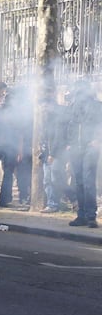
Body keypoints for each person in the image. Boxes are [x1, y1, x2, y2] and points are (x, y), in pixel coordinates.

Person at [66, 80, 101, 228]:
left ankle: (91, 216)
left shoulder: (97, 106)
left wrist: (97, 140)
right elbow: (70, 125)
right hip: (76, 148)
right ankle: (81, 215)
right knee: (79, 182)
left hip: (90, 147)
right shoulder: (74, 106)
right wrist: (69, 143)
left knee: (88, 182)